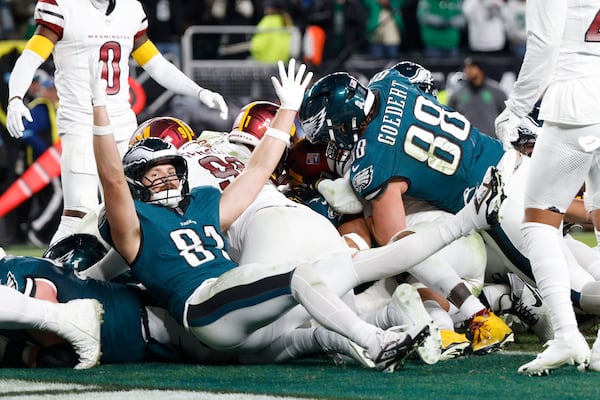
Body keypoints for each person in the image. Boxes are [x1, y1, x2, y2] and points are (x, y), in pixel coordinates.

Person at [91, 55, 506, 372]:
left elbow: (254, 174)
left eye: (168, 170)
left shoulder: (196, 203)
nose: (165, 178)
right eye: (154, 173)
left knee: (285, 332)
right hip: (250, 273)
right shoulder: (168, 208)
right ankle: (410, 318)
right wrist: (286, 112)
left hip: (248, 273)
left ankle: (386, 327)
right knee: (345, 276)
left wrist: (288, 109)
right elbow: (253, 172)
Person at [298, 61, 526, 356]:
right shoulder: (393, 86)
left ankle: (462, 320)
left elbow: (396, 243)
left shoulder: (369, 162)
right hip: (482, 206)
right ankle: (501, 301)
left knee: (396, 263)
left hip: (442, 245)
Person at [5, 0, 229, 246]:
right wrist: (15, 97)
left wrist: (197, 91)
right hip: (81, 123)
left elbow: (155, 63)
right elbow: (30, 57)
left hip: (121, 124)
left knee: (138, 209)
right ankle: (52, 275)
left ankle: (134, 276)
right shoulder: (62, 6)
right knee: (79, 215)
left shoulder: (130, 8)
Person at [494, 0, 600, 375]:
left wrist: (517, 109)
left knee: (538, 221)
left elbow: (545, 45)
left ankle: (567, 336)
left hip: (576, 104)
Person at [0, 247, 103, 369]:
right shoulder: (15, 267)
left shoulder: (11, 278)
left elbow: (62, 356)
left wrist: (20, 353)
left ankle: (63, 316)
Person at [448, 57, 507, 138]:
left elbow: (506, 117)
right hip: (467, 141)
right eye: (466, 67)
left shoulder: (497, 92)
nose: (467, 70)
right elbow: (450, 119)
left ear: (480, 70)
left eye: (471, 67)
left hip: (491, 141)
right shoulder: (457, 94)